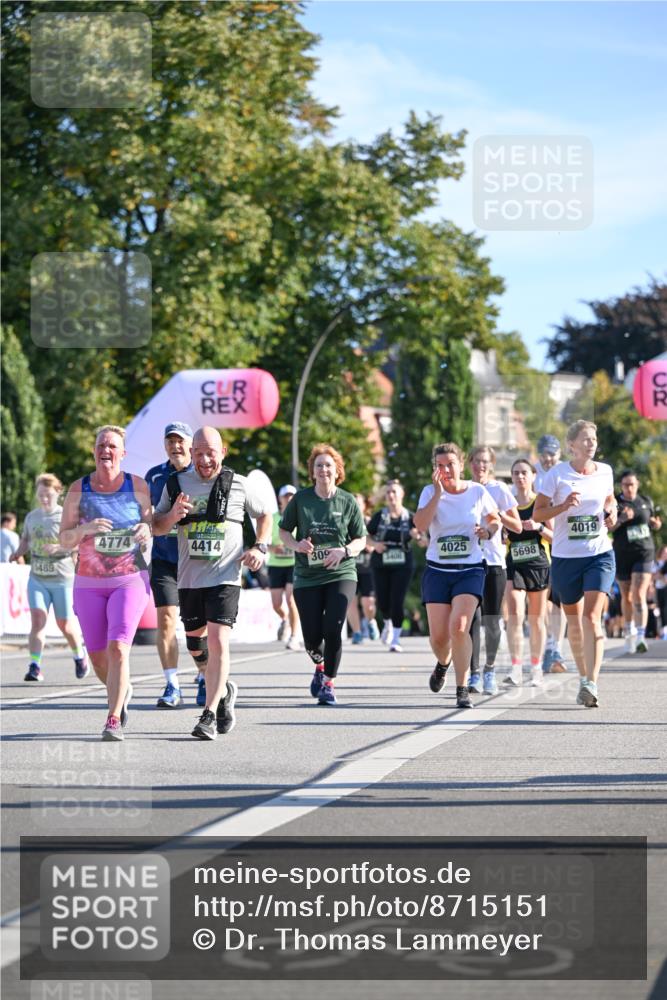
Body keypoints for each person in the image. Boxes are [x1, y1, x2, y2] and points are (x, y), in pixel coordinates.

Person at [153, 426, 272, 740]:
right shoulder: (175, 483)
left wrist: (260, 546)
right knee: (196, 645)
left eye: (211, 452)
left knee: (219, 641)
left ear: (223, 452)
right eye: (200, 453)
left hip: (226, 576)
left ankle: (208, 714)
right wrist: (173, 515)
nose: (205, 459)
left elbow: (265, 515)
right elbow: (155, 527)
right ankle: (223, 689)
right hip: (190, 578)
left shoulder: (239, 484)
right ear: (191, 454)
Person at [60, 426, 152, 740]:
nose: (106, 450)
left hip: (129, 579)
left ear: (122, 453)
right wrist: (85, 529)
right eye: (101, 444)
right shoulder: (78, 488)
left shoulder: (136, 486)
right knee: (98, 657)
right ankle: (120, 691)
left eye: (113, 445)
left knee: (118, 649)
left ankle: (113, 718)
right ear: (94, 451)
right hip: (88, 583)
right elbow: (63, 538)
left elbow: (150, 522)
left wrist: (145, 528)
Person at [533, 420, 617, 708]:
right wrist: (563, 506)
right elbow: (538, 513)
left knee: (592, 618)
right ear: (571, 445)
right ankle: (584, 678)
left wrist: (612, 512)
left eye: (593, 438)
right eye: (585, 439)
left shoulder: (605, 471)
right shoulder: (556, 475)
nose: (591, 443)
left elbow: (610, 498)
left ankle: (592, 683)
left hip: (599, 553)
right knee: (575, 624)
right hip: (566, 558)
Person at [278, 444, 367, 706]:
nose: (324, 469)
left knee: (334, 627)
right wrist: (297, 545)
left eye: (328, 465)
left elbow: (361, 538)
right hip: (307, 576)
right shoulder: (301, 499)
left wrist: (345, 551)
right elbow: (284, 531)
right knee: (312, 639)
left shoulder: (347, 501)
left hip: (342, 573)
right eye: (319, 465)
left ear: (337, 469)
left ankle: (329, 683)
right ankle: (319, 666)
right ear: (312, 471)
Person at [414, 442, 500, 709]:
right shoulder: (430, 492)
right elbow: (420, 525)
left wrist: (488, 530)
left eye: (450, 464)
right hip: (438, 570)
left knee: (460, 626)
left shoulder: (476, 491)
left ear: (461, 465)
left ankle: (462, 687)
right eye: (440, 466)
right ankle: (443, 662)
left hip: (470, 568)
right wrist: (438, 494)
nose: (446, 470)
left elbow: (495, 519)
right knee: (439, 638)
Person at [9, 474, 89, 681]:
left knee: (65, 624)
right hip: (37, 578)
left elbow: (80, 541)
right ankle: (34, 665)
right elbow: (26, 539)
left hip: (62, 577)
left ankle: (79, 655)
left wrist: (60, 546)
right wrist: (18, 552)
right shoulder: (32, 517)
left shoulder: (66, 516)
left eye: (48, 495)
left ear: (57, 493)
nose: (44, 499)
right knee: (38, 621)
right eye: (40, 495)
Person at [467, 446, 522, 695]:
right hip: (468, 562)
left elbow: (518, 526)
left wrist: (495, 514)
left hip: (494, 561)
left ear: (491, 465)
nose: (481, 465)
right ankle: (473, 673)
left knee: (491, 620)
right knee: (471, 620)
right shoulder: (463, 489)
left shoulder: (499, 489)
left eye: (485, 462)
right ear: (469, 464)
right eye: (477, 461)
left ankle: (489, 669)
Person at [504, 459, 554, 687]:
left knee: (536, 620)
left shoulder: (541, 504)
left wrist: (539, 527)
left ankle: (535, 667)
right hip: (514, 563)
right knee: (514, 614)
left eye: (524, 473)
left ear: (534, 475)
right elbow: (497, 533)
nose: (520, 477)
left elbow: (556, 538)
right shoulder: (507, 504)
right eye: (516, 473)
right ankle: (515, 667)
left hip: (539, 564)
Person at [611, 469, 662, 654]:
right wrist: (622, 519)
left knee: (639, 594)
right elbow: (607, 526)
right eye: (625, 485)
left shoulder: (645, 501)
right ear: (621, 486)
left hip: (644, 553)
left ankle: (640, 637)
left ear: (637, 484)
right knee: (627, 596)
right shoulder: (615, 503)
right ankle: (629, 633)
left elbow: (650, 522)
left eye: (632, 484)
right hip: (623, 554)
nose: (629, 488)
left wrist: (656, 525)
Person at [367, 480, 421, 653]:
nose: (391, 495)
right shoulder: (379, 517)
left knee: (397, 600)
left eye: (394, 492)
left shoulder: (411, 517)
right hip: (380, 563)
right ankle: (388, 623)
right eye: (388, 492)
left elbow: (424, 541)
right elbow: (365, 537)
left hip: (403, 564)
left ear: (402, 495)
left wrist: (417, 536)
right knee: (382, 601)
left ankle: (396, 639)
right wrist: (375, 545)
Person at [535, 434, 568, 673]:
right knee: (542, 603)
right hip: (538, 545)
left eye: (552, 454)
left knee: (559, 602)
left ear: (559, 454)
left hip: (562, 543)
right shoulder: (533, 476)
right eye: (545, 453)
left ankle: (556, 647)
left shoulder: (567, 474)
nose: (548, 458)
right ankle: (548, 643)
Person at [267, 484, 301, 651]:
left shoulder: (300, 518)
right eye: (286, 496)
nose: (289, 499)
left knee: (291, 599)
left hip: (294, 564)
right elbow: (263, 542)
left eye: (292, 496)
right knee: (276, 604)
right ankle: (285, 619)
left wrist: (294, 546)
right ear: (280, 499)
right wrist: (274, 548)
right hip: (275, 564)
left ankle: (294, 636)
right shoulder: (272, 518)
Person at [347, 493, 380, 645]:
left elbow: (377, 542)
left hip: (368, 569)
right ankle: (357, 632)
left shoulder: (370, 522)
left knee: (368, 603)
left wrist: (370, 545)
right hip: (349, 568)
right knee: (350, 602)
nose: (356, 505)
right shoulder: (344, 521)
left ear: (364, 506)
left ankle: (371, 621)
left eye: (358, 503)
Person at [653, 544, 667, 640]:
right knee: (661, 609)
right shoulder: (656, 563)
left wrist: (659, 575)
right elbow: (653, 576)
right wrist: (661, 576)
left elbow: (659, 576)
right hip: (658, 588)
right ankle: (663, 630)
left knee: (666, 609)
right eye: (664, 552)